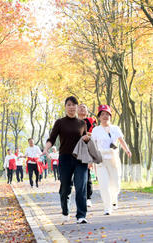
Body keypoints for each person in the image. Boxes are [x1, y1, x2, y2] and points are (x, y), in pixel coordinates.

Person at [43, 96, 90, 224]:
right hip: (65, 158)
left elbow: (85, 141)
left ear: (77, 107)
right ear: (65, 107)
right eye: (69, 105)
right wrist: (46, 149)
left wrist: (86, 139)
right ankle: (65, 211)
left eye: (74, 105)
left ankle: (81, 215)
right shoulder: (60, 122)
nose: (71, 107)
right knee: (65, 187)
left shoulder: (82, 123)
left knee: (81, 186)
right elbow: (52, 139)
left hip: (80, 159)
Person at [91, 104, 131, 215]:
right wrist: (91, 160)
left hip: (113, 159)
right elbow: (93, 146)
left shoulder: (115, 128)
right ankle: (107, 207)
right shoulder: (96, 130)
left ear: (110, 116)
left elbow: (121, 141)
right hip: (101, 159)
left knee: (116, 183)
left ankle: (114, 198)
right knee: (104, 184)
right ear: (99, 117)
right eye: (102, 114)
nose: (105, 116)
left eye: (107, 114)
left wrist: (127, 150)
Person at [77, 104, 96, 207]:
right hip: (74, 151)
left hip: (87, 149)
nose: (81, 108)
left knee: (87, 174)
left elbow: (95, 135)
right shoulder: (72, 121)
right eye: (79, 107)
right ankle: (80, 196)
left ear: (87, 111)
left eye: (84, 107)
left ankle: (88, 197)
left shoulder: (91, 121)